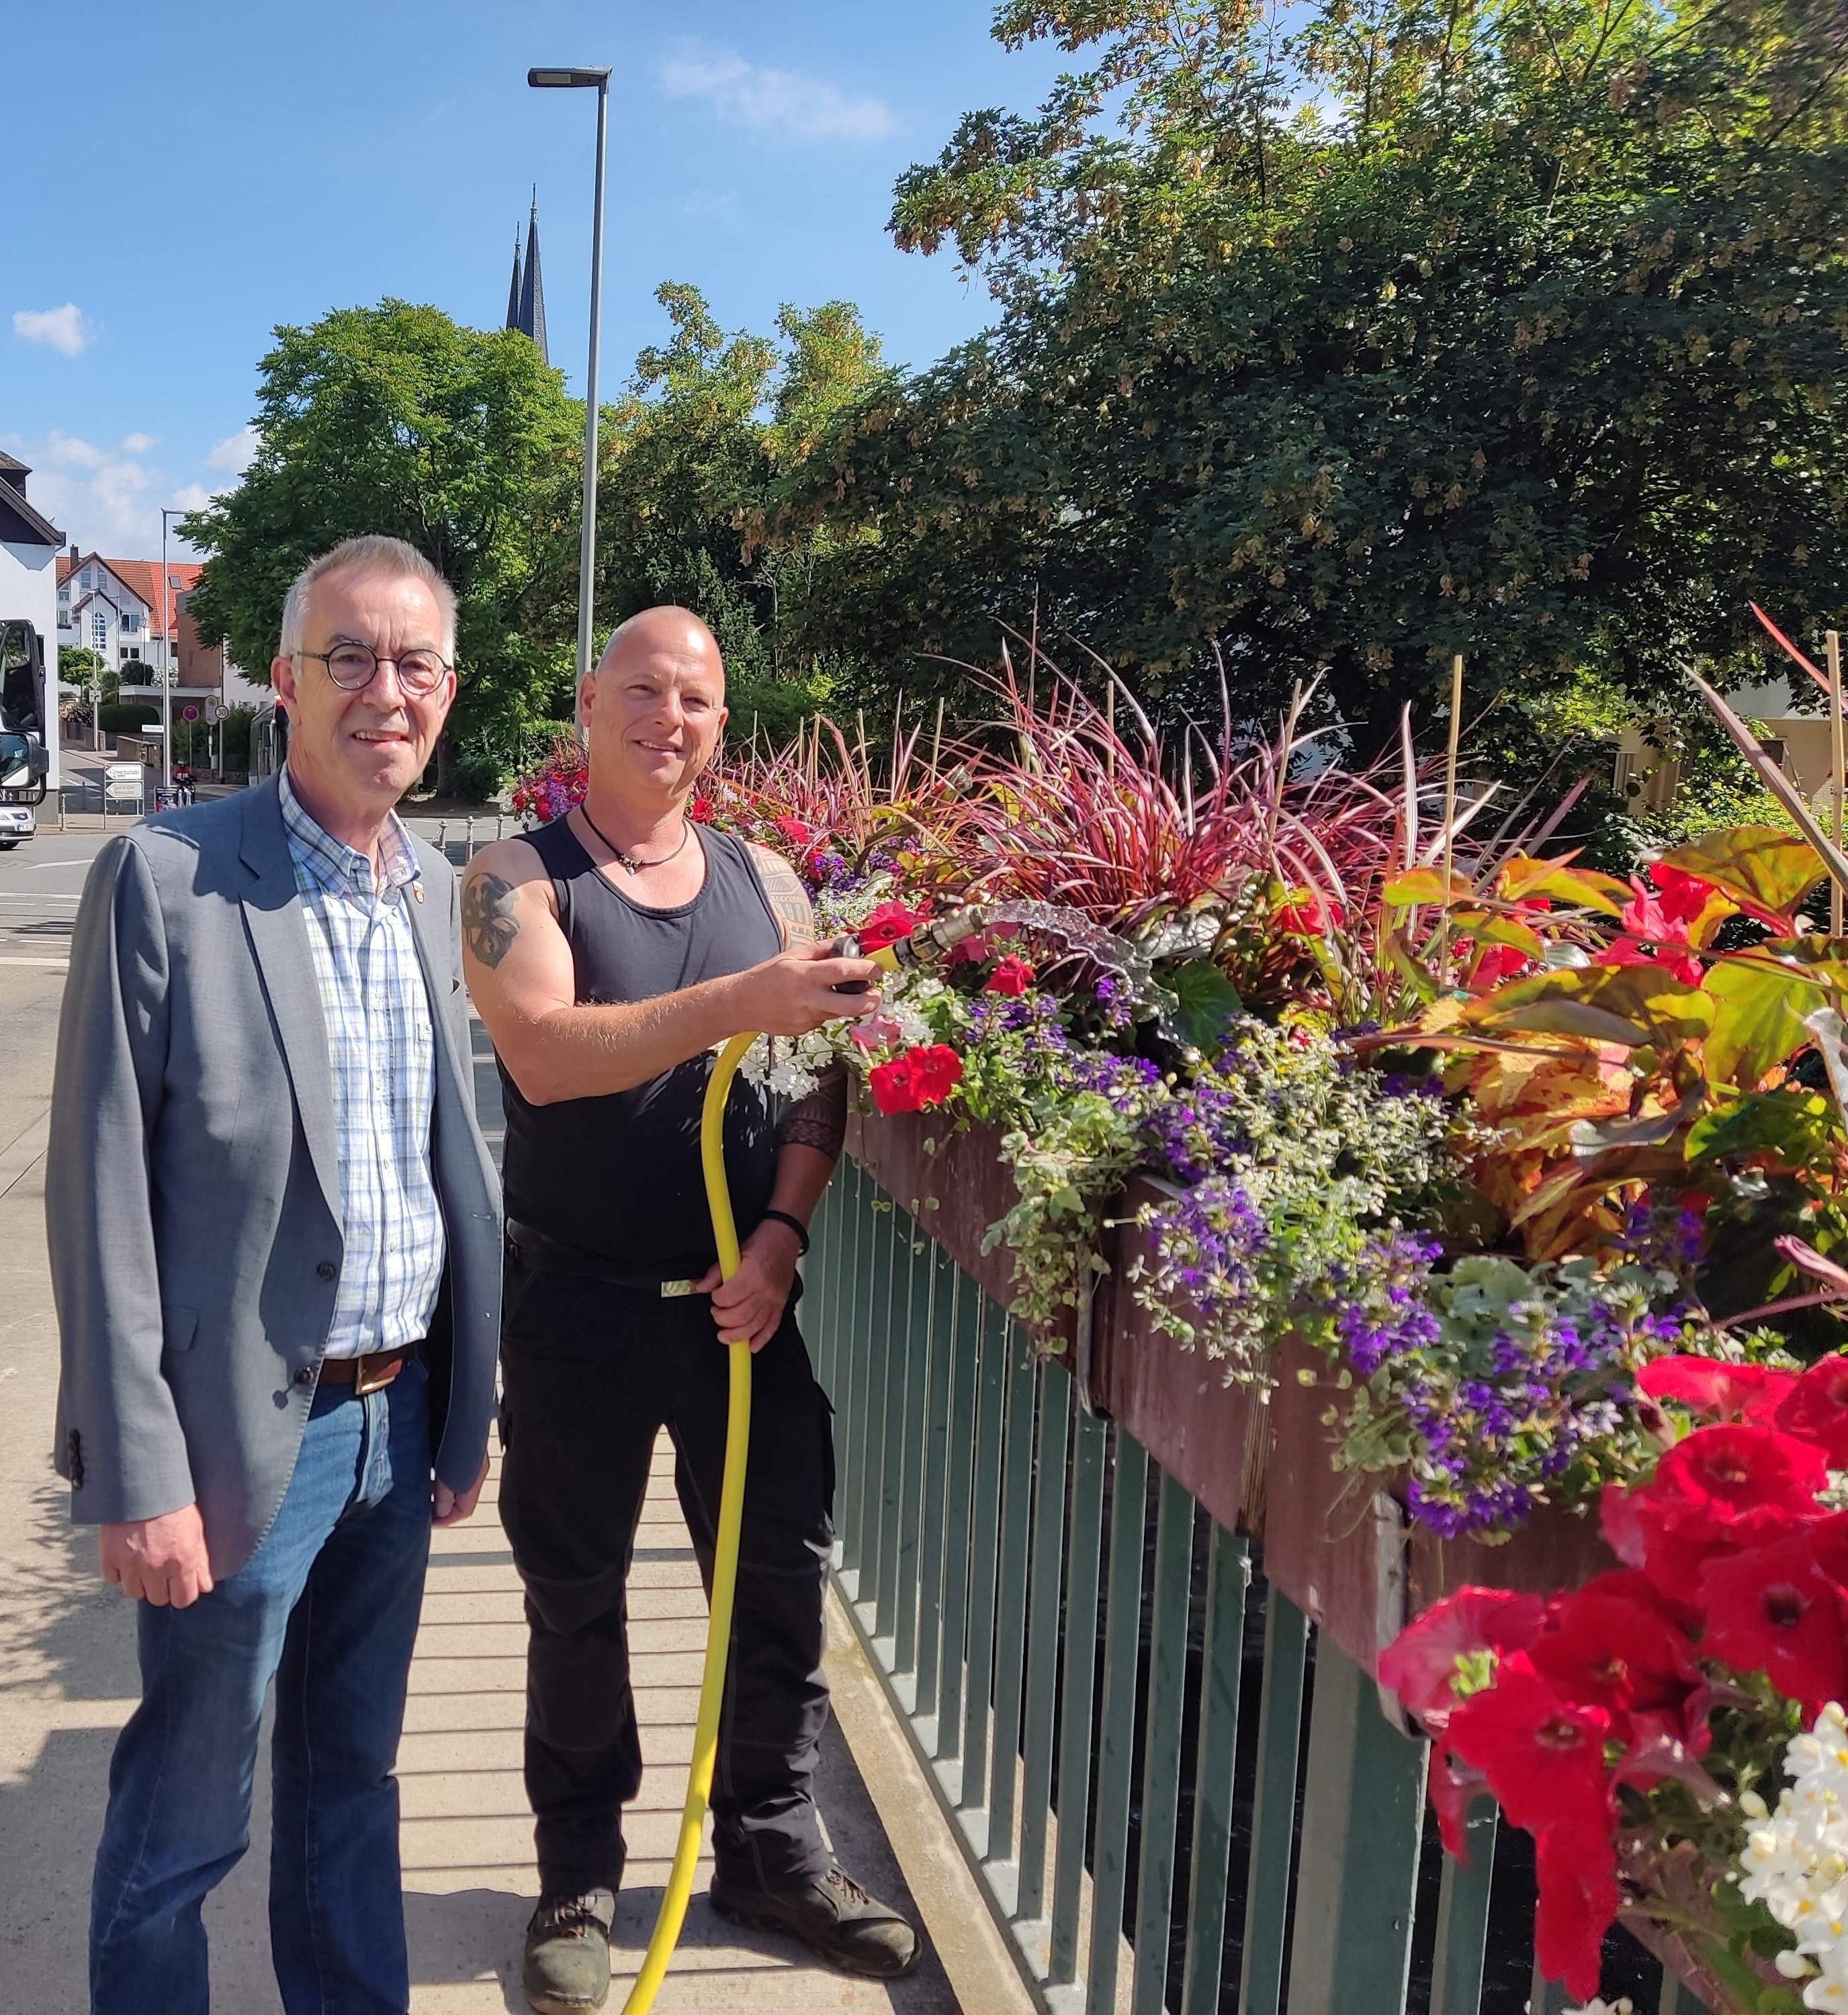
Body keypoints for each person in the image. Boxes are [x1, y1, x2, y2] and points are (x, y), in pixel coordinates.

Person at [48, 534, 504, 2015]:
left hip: (397, 1422)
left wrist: (461, 1411)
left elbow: (440, 1166)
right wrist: (138, 1476)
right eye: (349, 657)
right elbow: (100, 1193)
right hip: (236, 1442)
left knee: (351, 1785)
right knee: (186, 1823)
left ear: (449, 689)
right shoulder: (168, 879)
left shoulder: (429, 889)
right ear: (288, 683)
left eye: (415, 662)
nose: (386, 691)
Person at [463, 607, 920, 2014]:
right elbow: (545, 1056)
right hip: (576, 1309)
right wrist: (745, 997)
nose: (671, 718)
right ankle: (577, 1877)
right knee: (576, 1596)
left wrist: (780, 1237)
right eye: (645, 690)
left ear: (722, 724)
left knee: (776, 1576)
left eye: (698, 700)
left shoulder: (766, 880)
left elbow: (817, 1074)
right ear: (588, 701)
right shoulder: (514, 880)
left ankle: (772, 1855)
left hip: (742, 1305)